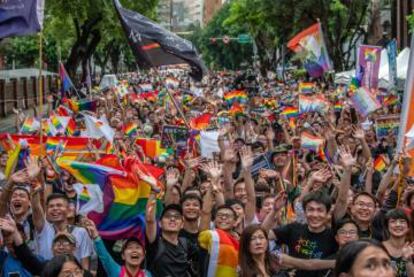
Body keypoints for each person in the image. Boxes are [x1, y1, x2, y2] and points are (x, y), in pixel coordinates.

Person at [83, 218, 152, 277]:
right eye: (130, 247)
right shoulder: (116, 272)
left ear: (143, 255)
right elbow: (105, 257)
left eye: (137, 247)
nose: (134, 250)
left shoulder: (147, 275)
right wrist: (95, 234)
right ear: (123, 256)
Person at [382, 209, 414, 277]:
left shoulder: (412, 248)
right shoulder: (378, 248)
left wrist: (408, 261)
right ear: (387, 227)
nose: (398, 225)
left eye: (402, 221)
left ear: (408, 227)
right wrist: (403, 261)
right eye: (393, 221)